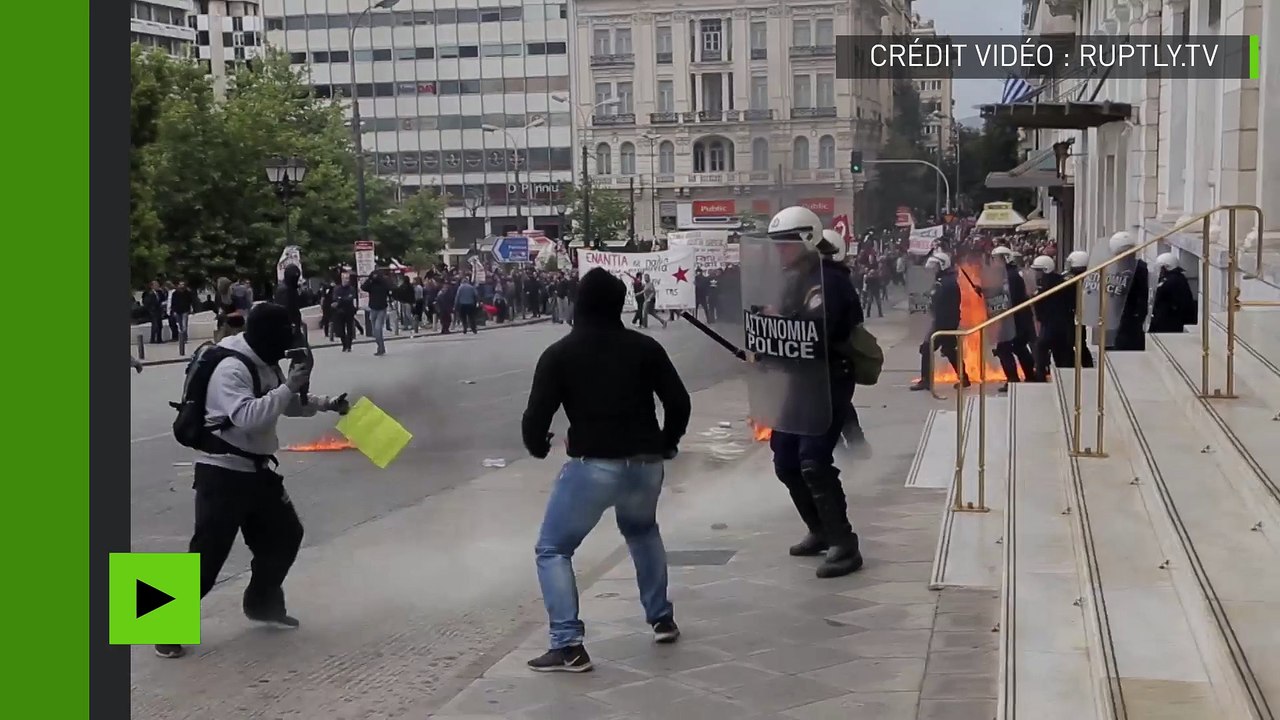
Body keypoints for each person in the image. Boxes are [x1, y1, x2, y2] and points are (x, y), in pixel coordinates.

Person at [155, 303, 350, 660]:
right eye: (283, 339)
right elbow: (247, 417)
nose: (287, 347)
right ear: (265, 337)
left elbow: (282, 404)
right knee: (206, 557)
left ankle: (262, 604)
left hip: (256, 470)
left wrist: (325, 403)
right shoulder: (231, 367)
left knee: (286, 535)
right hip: (222, 472)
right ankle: (156, 624)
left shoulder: (264, 360)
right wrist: (289, 385)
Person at [521, 267, 691, 673]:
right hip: (645, 464)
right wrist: (666, 441)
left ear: (579, 305)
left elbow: (535, 418)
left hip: (594, 466)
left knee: (553, 549)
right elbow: (679, 401)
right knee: (642, 531)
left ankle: (567, 644)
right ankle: (662, 618)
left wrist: (538, 446)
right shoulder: (645, 348)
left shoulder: (560, 354)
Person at [761, 210, 864, 579]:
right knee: (785, 459)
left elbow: (818, 331)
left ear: (806, 239)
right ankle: (819, 529)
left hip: (829, 380)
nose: (780, 252)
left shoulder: (830, 281)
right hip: (800, 381)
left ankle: (844, 543)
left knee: (813, 461)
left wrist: (780, 324)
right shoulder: (794, 282)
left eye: (785, 244)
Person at [911, 252, 969, 391]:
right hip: (946, 321)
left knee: (927, 348)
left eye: (935, 265)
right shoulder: (945, 280)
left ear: (943, 265)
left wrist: (939, 325)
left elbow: (942, 303)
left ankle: (926, 381)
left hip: (944, 322)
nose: (933, 268)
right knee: (949, 350)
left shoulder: (946, 283)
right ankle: (964, 378)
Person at [988, 246, 1038, 392]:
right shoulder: (1011, 274)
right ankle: (1030, 376)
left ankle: (1012, 380)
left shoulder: (1009, 276)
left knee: (1004, 349)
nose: (993, 262)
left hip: (1014, 319)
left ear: (1004, 258)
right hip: (1018, 319)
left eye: (995, 258)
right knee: (1019, 347)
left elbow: (1008, 297)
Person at [1029, 255, 1077, 378]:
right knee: (1056, 352)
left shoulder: (1050, 285)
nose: (1035, 274)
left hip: (1056, 324)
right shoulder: (1052, 282)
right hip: (1056, 324)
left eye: (1038, 271)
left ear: (1045, 270)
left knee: (1042, 347)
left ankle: (1041, 375)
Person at [1149, 253, 1196, 334]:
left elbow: (1158, 296)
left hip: (1169, 321)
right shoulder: (1178, 277)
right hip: (1173, 317)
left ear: (1166, 267)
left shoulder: (1171, 281)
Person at [1063, 251, 1095, 368]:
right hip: (1081, 315)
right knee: (1081, 344)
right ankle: (1088, 366)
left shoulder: (1069, 279)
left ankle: (1070, 367)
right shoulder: (1091, 278)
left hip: (1069, 315)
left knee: (1069, 344)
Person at [361, 270, 392, 355]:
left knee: (378, 329)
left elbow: (390, 288)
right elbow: (363, 287)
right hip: (373, 308)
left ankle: (381, 348)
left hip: (382, 308)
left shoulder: (383, 284)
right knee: (374, 331)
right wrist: (369, 279)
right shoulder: (371, 284)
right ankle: (380, 347)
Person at [332, 275, 358, 351]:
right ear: (342, 279)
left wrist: (340, 300)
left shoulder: (351, 289)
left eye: (348, 279)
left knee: (350, 329)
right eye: (345, 278)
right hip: (340, 311)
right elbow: (335, 298)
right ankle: (344, 345)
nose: (347, 280)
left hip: (349, 311)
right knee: (341, 329)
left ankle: (349, 345)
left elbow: (350, 298)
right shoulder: (337, 289)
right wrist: (342, 299)